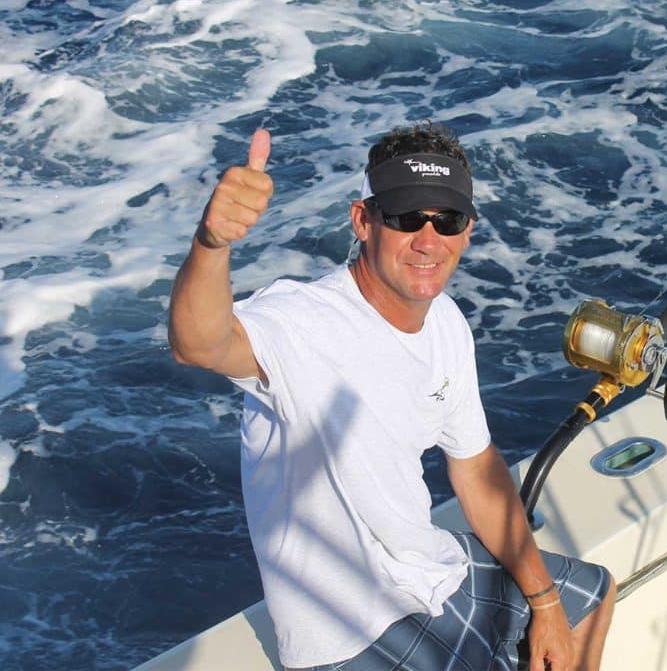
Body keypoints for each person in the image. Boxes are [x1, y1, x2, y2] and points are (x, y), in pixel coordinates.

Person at [168, 123, 616, 671]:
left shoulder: (447, 322)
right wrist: (212, 243)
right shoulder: (301, 322)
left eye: (446, 220)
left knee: (589, 602)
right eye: (406, 218)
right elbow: (200, 343)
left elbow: (476, 469)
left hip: (427, 573)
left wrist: (545, 602)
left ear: (467, 231)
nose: (428, 241)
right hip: (346, 632)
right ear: (363, 220)